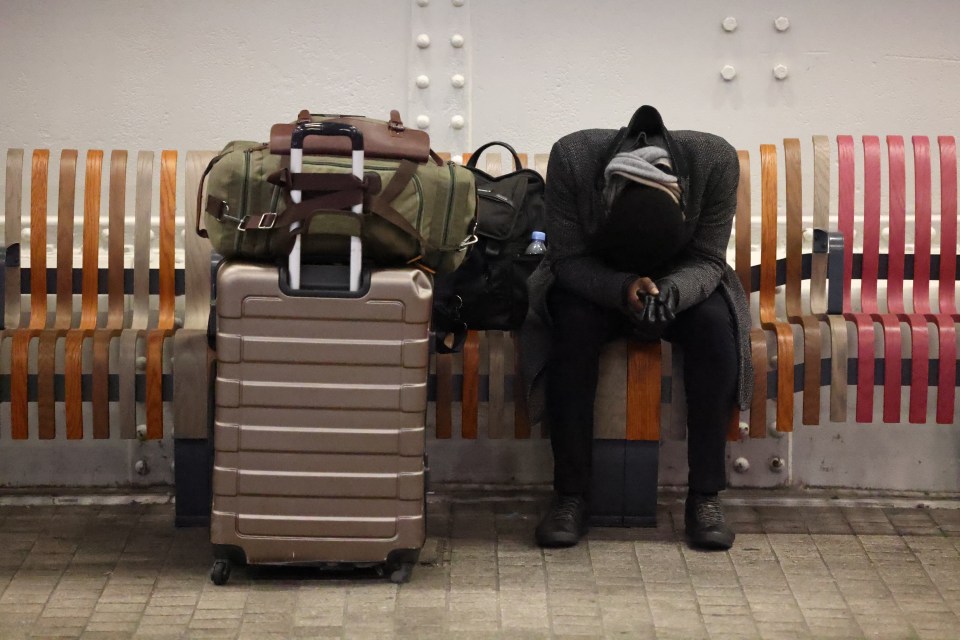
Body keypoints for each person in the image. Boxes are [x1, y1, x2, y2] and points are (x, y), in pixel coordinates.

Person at [520, 105, 753, 551]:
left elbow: (707, 259)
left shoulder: (715, 161)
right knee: (568, 330)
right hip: (595, 277)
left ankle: (704, 496)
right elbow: (566, 259)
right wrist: (622, 286)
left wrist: (670, 291)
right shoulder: (573, 157)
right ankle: (570, 495)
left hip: (680, 279)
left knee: (716, 333)